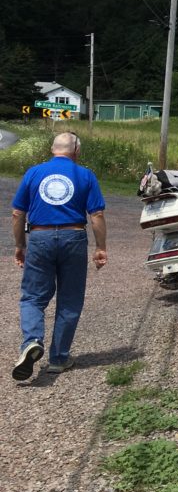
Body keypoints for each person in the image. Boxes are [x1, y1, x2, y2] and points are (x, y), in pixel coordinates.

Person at [11, 131, 107, 381]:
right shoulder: (85, 175)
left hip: (40, 237)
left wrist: (20, 244)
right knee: (70, 298)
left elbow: (17, 213)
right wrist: (100, 247)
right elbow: (96, 215)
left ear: (53, 150)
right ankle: (59, 359)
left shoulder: (34, 172)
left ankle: (32, 341)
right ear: (76, 151)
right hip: (73, 236)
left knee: (33, 297)